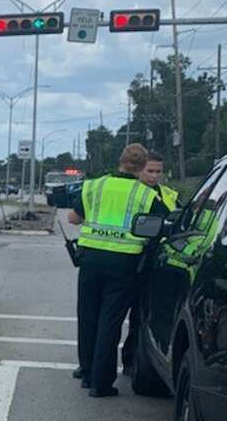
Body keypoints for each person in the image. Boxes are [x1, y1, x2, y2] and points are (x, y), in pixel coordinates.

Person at [68, 142, 163, 397]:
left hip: (90, 260)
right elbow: (160, 226)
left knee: (88, 316)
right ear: (143, 166)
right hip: (124, 264)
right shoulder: (146, 195)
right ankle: (100, 383)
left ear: (120, 161)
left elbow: (73, 218)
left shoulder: (94, 186)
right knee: (110, 321)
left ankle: (86, 372)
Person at [121, 151, 177, 371]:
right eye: (150, 171)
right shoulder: (134, 193)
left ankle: (136, 358)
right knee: (123, 313)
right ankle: (127, 358)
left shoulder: (168, 194)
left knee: (143, 313)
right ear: (139, 170)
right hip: (131, 258)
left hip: (158, 260)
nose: (154, 176)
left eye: (158, 172)